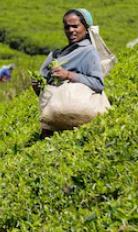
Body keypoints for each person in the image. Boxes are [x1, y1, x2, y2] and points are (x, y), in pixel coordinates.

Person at [31, 9, 105, 139]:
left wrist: (68, 75)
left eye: (75, 26)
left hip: (79, 114)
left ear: (86, 29)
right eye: (67, 27)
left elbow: (98, 84)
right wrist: (38, 87)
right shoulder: (56, 55)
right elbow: (45, 92)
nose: (71, 30)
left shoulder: (89, 52)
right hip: (53, 123)